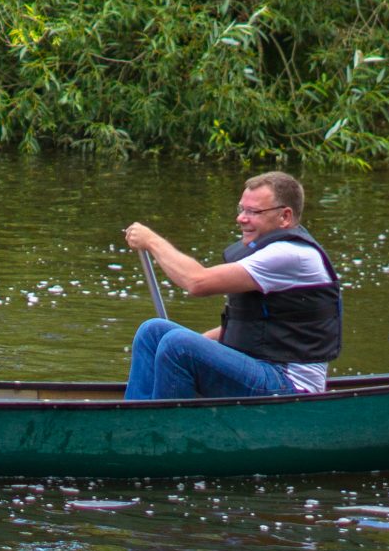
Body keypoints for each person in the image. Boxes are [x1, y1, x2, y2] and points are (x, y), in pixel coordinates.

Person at [120, 170, 341, 400]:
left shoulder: (289, 254)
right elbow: (252, 325)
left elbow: (196, 282)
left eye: (253, 212)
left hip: (289, 384)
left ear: (285, 217)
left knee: (178, 344)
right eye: (241, 209)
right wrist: (201, 344)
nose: (241, 218)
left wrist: (151, 241)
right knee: (154, 331)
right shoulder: (267, 250)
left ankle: (166, 431)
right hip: (260, 368)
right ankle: (135, 420)